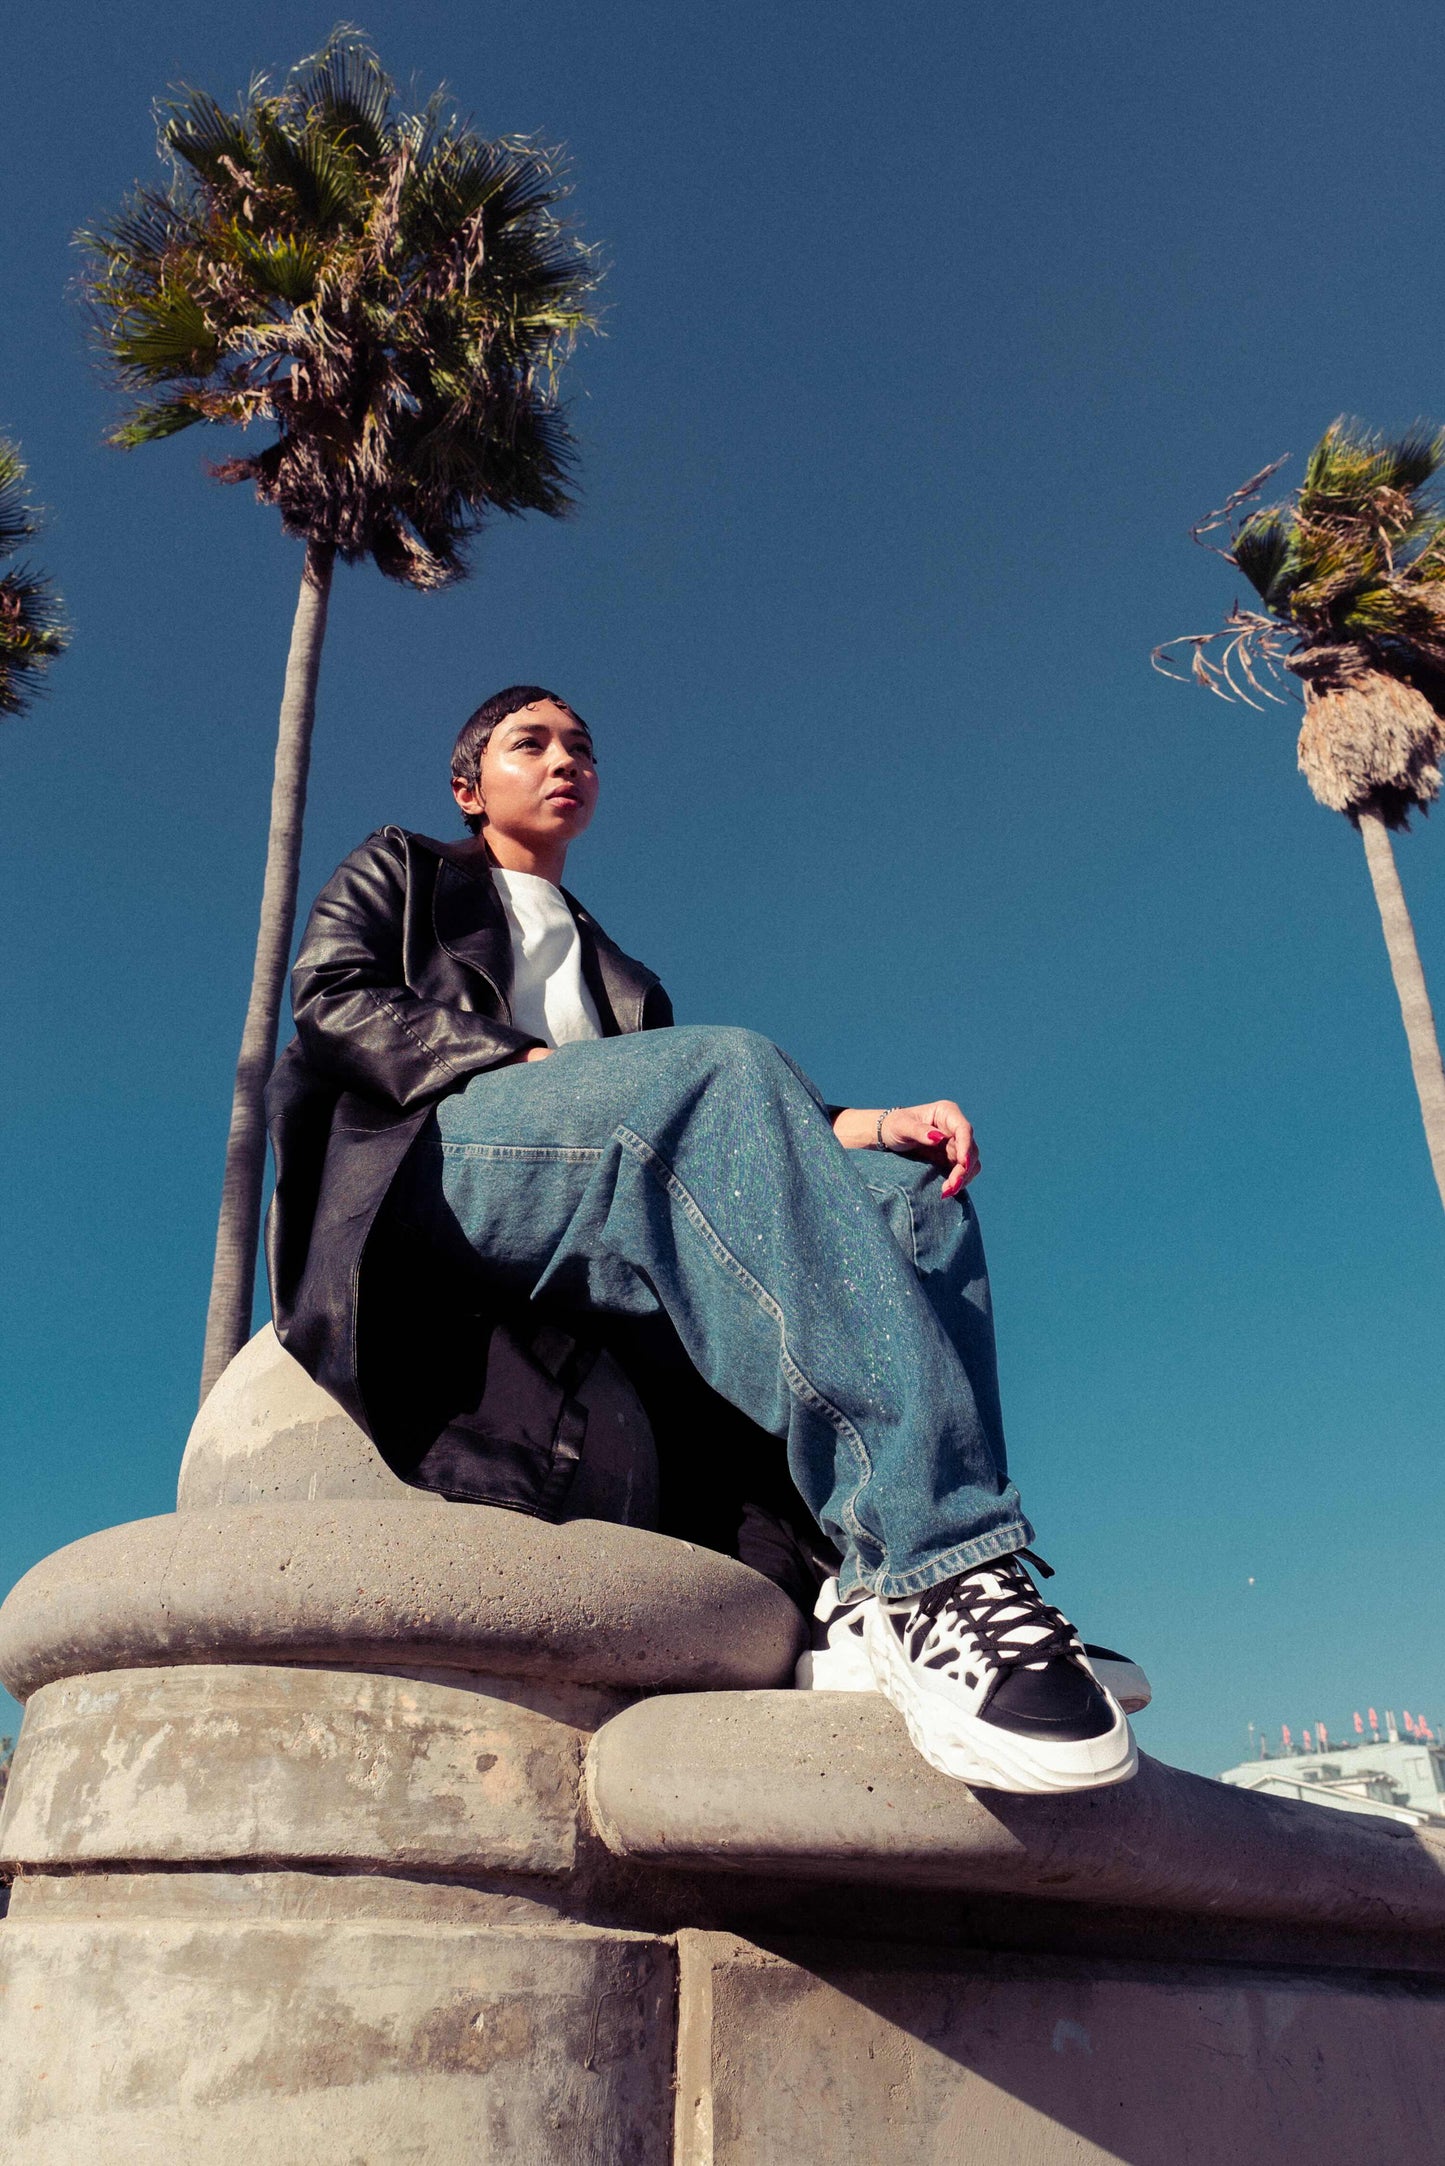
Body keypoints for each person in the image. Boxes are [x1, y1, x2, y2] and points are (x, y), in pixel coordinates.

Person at [266, 685, 1145, 1796]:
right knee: (723, 1063)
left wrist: (874, 1128)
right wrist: (532, 1065)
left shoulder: (624, 977)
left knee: (906, 1199)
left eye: (580, 746)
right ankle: (937, 1568)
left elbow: (731, 1135)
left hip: (603, 1178)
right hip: (438, 1165)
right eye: (528, 744)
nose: (562, 761)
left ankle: (900, 1587)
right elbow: (332, 1000)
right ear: (466, 786)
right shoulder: (406, 869)